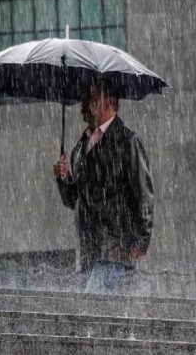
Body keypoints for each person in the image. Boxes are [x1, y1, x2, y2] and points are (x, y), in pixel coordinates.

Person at [52, 81, 154, 294]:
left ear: (109, 101)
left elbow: (143, 192)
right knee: (100, 315)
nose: (83, 107)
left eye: (90, 100)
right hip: (89, 248)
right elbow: (74, 200)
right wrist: (64, 178)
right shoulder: (80, 148)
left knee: (91, 307)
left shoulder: (127, 141)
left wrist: (141, 240)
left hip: (114, 246)